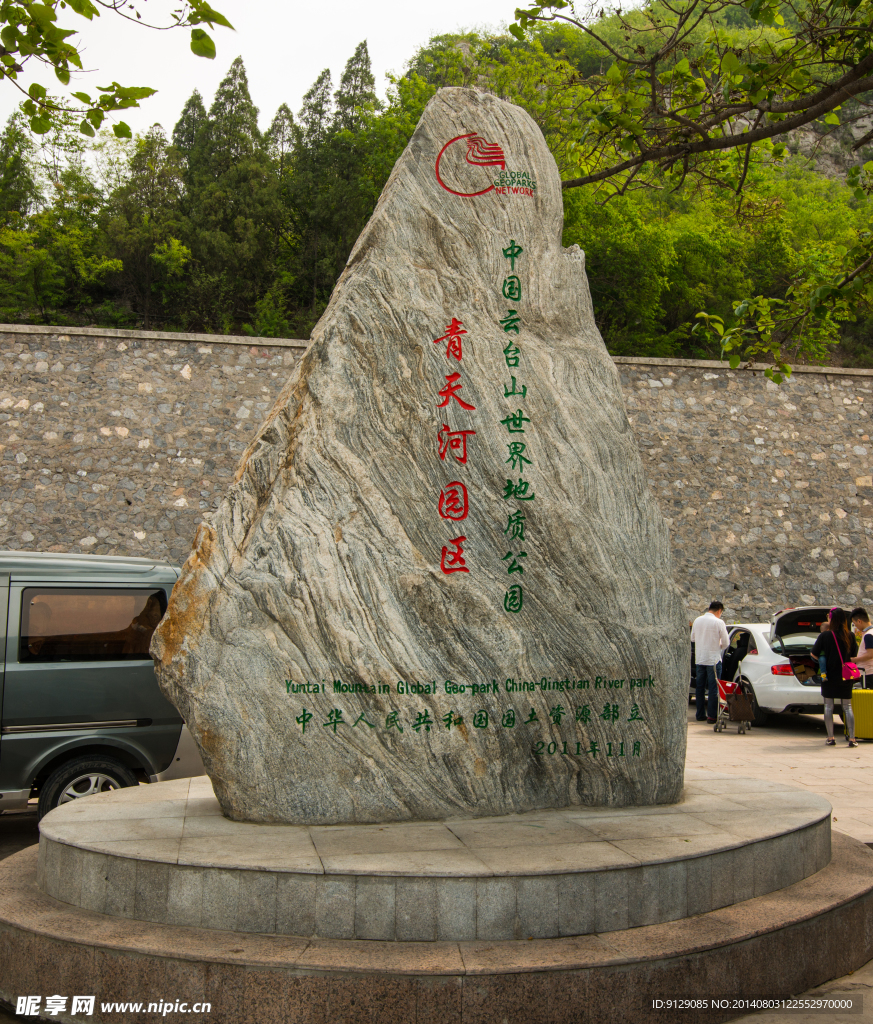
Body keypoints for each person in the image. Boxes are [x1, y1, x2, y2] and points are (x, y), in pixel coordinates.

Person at [812, 607, 859, 747]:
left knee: (828, 706)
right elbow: (853, 656)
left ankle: (831, 738)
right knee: (847, 707)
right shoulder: (849, 635)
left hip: (829, 676)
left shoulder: (825, 636)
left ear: (831, 619)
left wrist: (822, 659)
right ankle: (852, 739)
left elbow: (814, 654)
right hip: (846, 675)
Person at [690, 600, 730, 723]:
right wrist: (718, 646)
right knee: (713, 688)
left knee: (699, 688)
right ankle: (712, 716)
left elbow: (692, 638)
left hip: (700, 659)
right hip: (713, 660)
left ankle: (700, 714)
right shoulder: (719, 622)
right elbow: (726, 643)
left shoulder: (697, 620)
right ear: (719, 611)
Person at [851, 607, 873, 685]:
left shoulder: (868, 635)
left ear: (859, 621)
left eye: (854, 623)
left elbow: (870, 654)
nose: (855, 626)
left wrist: (854, 660)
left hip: (868, 672)